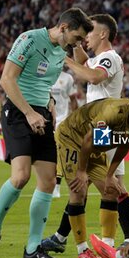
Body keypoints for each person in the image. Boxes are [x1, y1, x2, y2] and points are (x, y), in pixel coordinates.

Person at [0, 8, 94, 258]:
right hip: (18, 112)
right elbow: (7, 79)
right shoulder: (29, 39)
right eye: (77, 37)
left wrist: (50, 102)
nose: (78, 43)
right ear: (64, 27)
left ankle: (32, 249)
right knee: (20, 177)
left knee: (47, 181)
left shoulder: (60, 51)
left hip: (41, 114)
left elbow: (42, 83)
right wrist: (30, 112)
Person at [42, 13, 129, 256]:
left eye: (91, 32)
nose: (86, 37)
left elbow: (93, 75)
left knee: (109, 186)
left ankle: (124, 240)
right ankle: (66, 237)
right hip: (97, 124)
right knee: (87, 184)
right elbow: (86, 64)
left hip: (107, 127)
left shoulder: (110, 58)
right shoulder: (99, 58)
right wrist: (74, 46)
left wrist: (64, 58)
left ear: (103, 34)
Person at [45, 90, 129, 258]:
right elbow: (88, 141)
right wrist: (82, 171)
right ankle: (83, 251)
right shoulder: (112, 113)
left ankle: (107, 248)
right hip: (72, 138)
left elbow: (124, 145)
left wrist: (110, 175)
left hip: (94, 145)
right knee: (79, 190)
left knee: (110, 190)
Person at [50, 66, 78, 198]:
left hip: (62, 120)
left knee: (58, 153)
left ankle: (56, 186)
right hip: (46, 119)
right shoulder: (44, 75)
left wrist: (75, 118)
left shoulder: (67, 78)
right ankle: (50, 184)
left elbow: (73, 100)